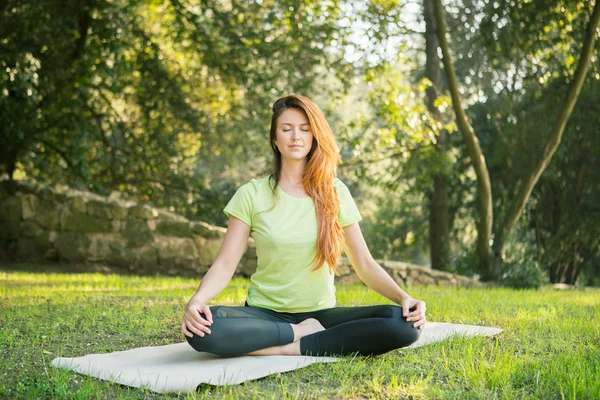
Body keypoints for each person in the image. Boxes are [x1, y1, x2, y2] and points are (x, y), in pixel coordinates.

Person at [182, 94, 427, 357]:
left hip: (321, 316)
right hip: (264, 314)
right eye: (286, 129)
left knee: (403, 325)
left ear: (314, 137)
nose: (295, 136)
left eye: (304, 129)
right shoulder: (251, 194)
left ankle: (287, 347)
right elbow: (225, 263)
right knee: (204, 327)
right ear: (275, 140)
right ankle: (302, 336)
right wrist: (197, 300)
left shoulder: (335, 192)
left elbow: (364, 263)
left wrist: (404, 298)